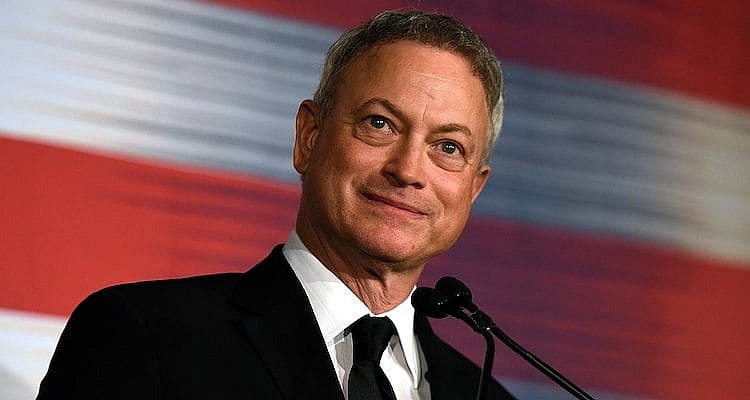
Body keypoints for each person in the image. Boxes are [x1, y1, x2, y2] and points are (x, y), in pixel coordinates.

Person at [37, 9, 514, 400]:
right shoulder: (146, 336)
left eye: (448, 147)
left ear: (474, 188)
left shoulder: (487, 396)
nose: (408, 170)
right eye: (379, 123)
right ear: (309, 136)